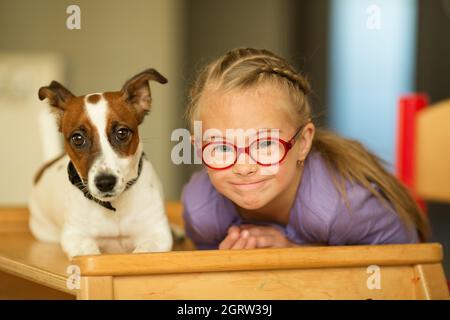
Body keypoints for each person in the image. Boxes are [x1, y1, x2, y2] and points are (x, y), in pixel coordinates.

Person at [182, 47, 429, 250]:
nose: (244, 166)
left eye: (266, 144)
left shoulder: (341, 206)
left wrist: (295, 251)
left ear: (302, 143)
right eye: (222, 148)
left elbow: (409, 271)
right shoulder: (202, 211)